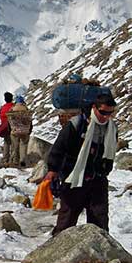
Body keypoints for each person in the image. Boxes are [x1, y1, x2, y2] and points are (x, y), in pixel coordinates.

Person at [45, 94, 118, 236]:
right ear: (94, 108)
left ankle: (101, 254)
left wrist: (105, 170)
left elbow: (110, 152)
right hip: (74, 177)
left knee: (100, 221)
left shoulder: (111, 128)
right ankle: (57, 252)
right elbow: (59, 147)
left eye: (110, 113)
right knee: (67, 220)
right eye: (103, 112)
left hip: (97, 178)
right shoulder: (77, 124)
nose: (106, 117)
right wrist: (53, 169)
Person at [6, 95, 33, 167]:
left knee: (15, 146)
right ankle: (22, 160)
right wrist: (30, 130)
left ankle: (15, 160)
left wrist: (10, 129)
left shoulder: (12, 109)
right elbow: (30, 121)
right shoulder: (26, 109)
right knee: (23, 145)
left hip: (15, 131)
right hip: (25, 131)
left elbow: (9, 121)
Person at [0, 92, 14, 166]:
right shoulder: (13, 107)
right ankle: (13, 159)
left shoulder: (2, 108)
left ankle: (5, 159)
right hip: (13, 127)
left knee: (6, 143)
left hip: (5, 128)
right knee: (14, 144)